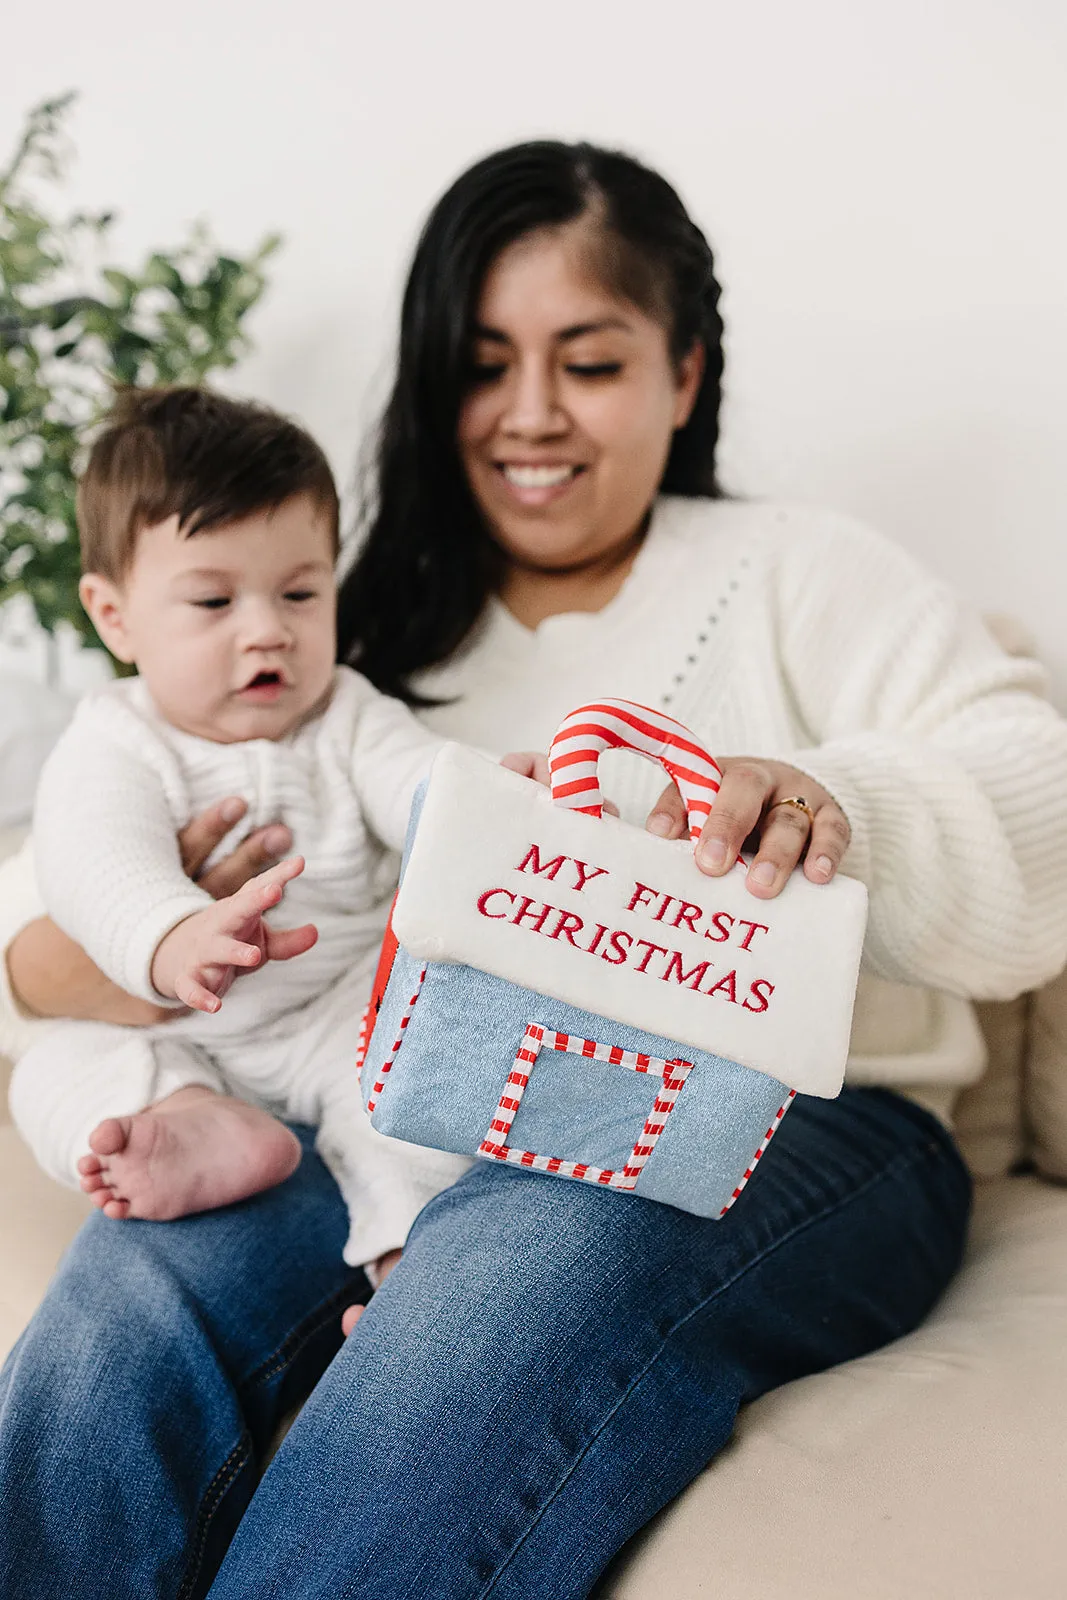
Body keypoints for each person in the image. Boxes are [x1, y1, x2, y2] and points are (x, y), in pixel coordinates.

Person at [1, 140, 1065, 1599]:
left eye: (588, 361)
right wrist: (94, 941)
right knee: (139, 1289)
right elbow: (76, 848)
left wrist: (823, 807)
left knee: (527, 1241)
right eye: (482, 363)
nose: (528, 416)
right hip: (396, 1091)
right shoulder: (331, 614)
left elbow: (1032, 783)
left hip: (796, 1117)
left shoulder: (798, 571)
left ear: (683, 376)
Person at [6, 385, 474, 1276]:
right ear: (115, 617)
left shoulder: (348, 713)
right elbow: (90, 856)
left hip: (334, 1005)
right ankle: (191, 1127)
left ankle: (405, 1266)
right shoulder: (117, 738)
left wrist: (491, 806)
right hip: (170, 1035)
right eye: (214, 603)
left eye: (299, 592)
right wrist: (172, 931)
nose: (268, 631)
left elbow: (420, 783)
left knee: (407, 1081)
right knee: (54, 1075)